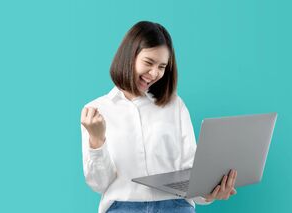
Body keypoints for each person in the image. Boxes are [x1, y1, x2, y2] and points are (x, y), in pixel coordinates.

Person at [80, 21, 237, 213]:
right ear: (129, 56)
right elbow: (100, 184)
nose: (154, 73)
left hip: (176, 206)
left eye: (162, 66)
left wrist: (209, 193)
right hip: (123, 207)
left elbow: (190, 171)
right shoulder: (96, 110)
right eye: (148, 62)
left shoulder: (175, 105)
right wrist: (97, 139)